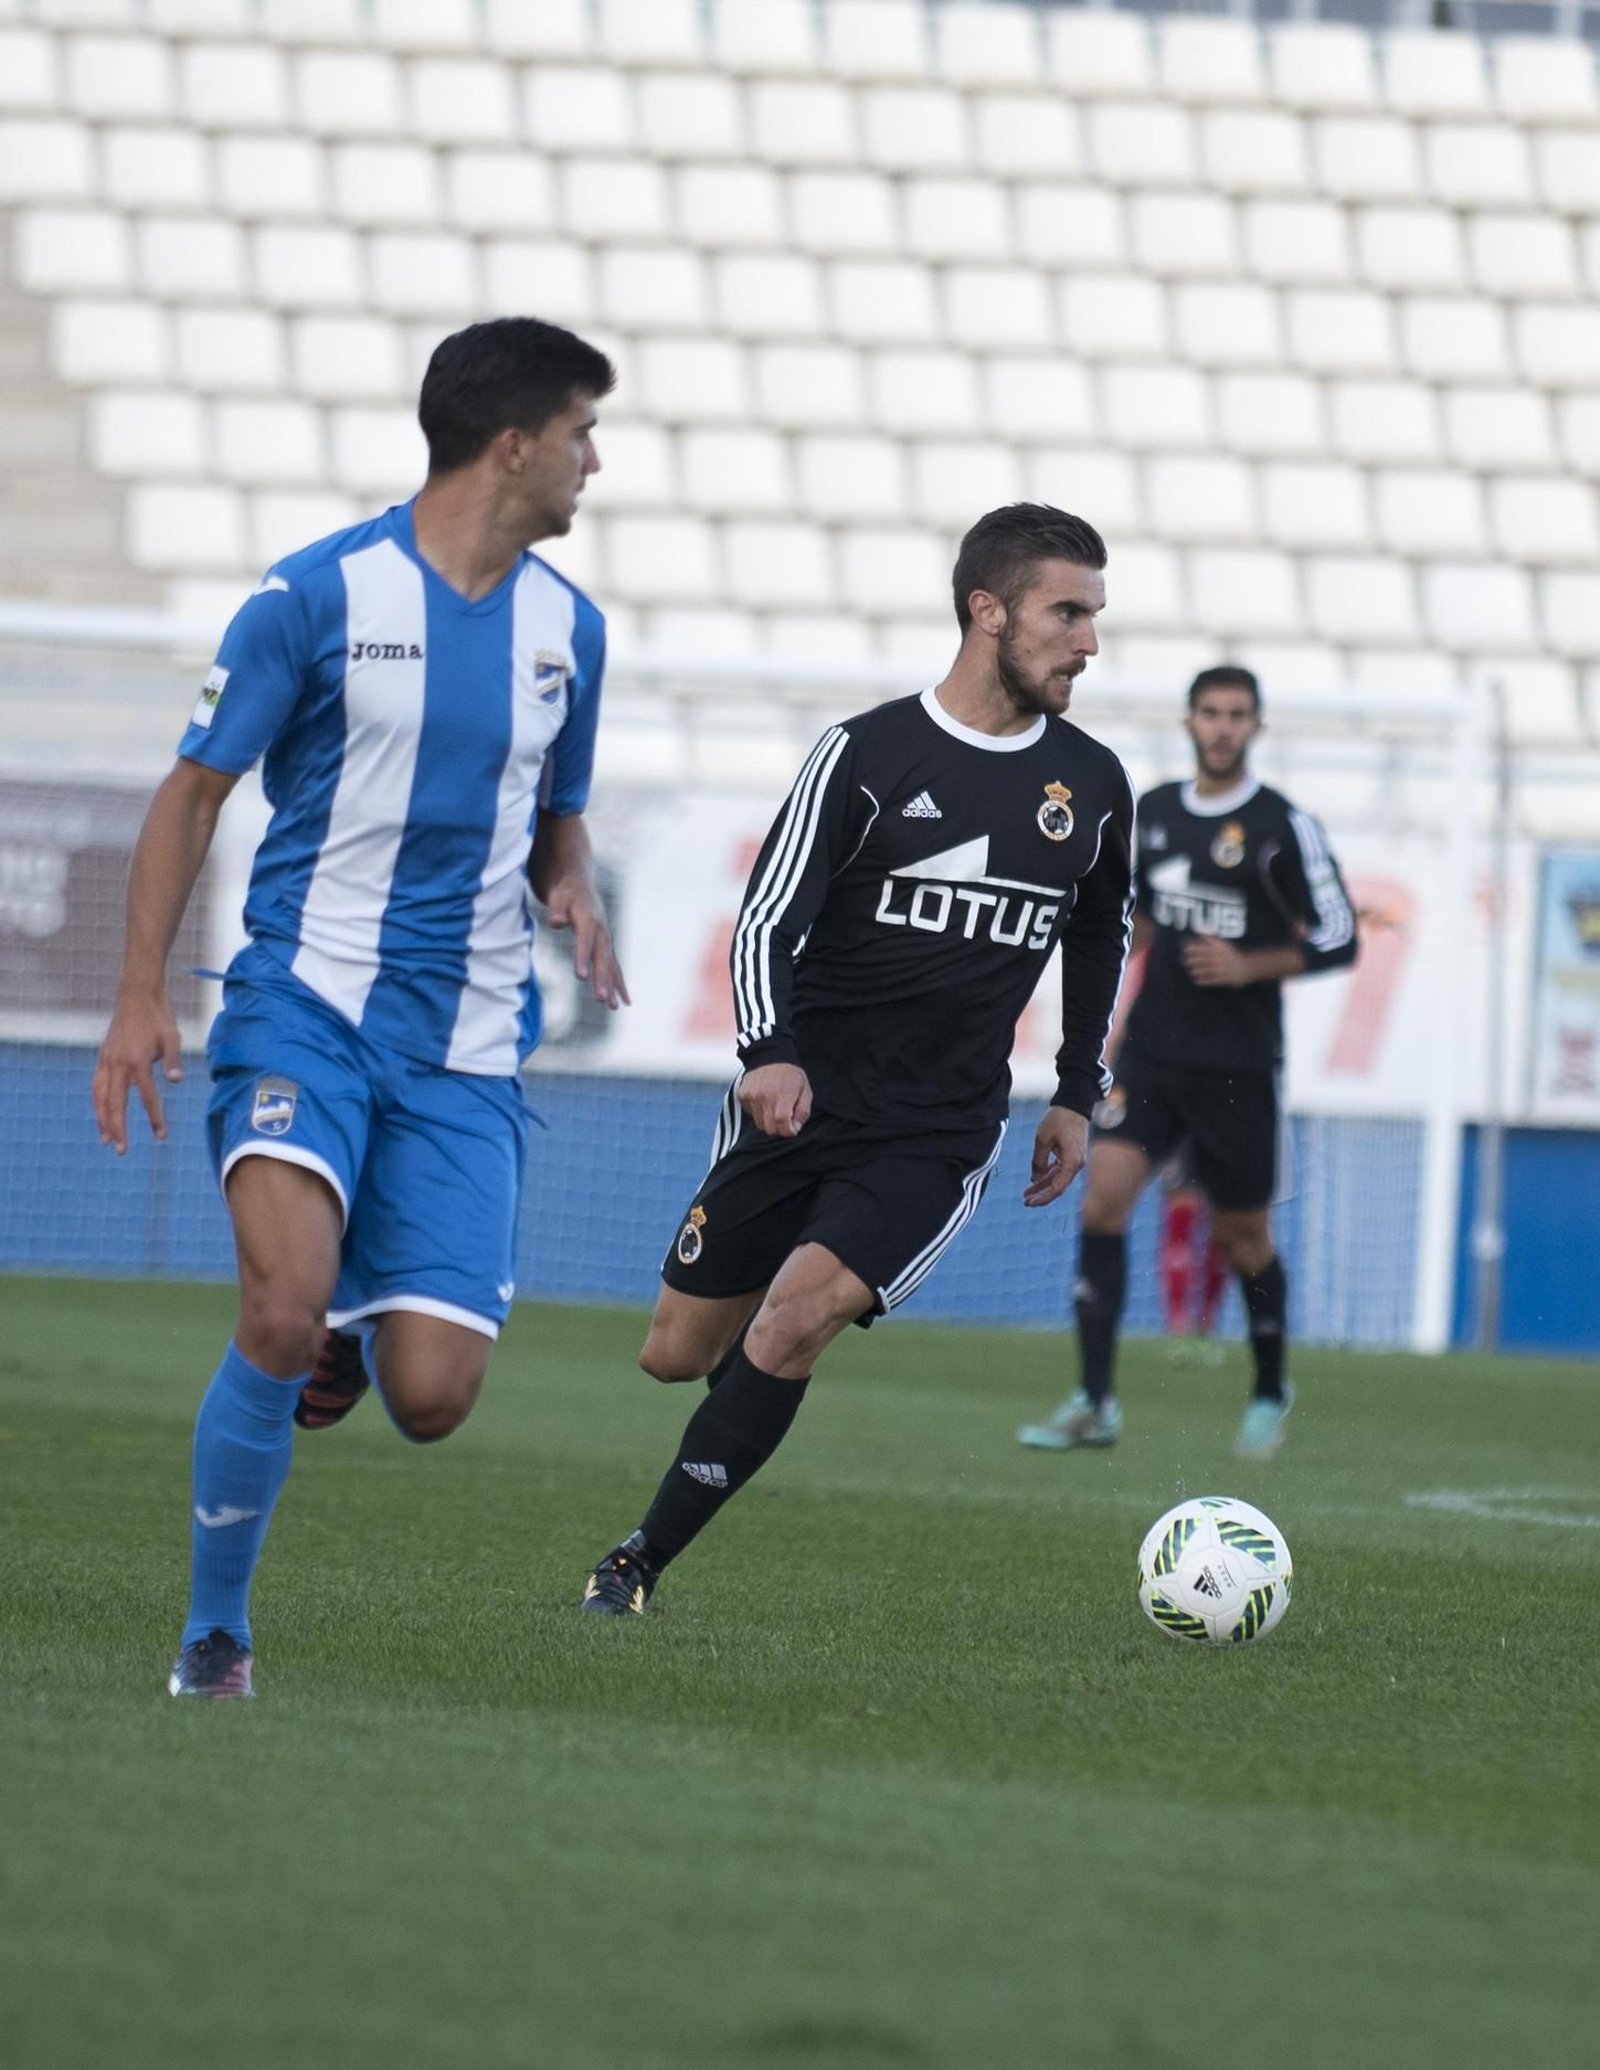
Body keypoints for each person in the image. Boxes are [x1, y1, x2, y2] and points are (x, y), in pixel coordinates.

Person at [91, 317, 627, 1697]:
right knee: (281, 1308)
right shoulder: (314, 595)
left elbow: (557, 821)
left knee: (433, 1397)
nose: (594, 463)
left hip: (465, 1046)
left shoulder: (571, 631)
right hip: (304, 1006)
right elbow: (191, 794)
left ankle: (345, 1328)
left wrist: (573, 887)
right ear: (512, 444)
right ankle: (216, 1635)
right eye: (582, 434)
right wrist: (139, 995)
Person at [579, 503, 1134, 1616]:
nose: (1087, 643)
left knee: (796, 1320)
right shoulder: (866, 755)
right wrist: (768, 1054)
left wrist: (1078, 1092)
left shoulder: (1094, 784)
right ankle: (747, 1394)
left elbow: (1098, 938)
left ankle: (633, 1565)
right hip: (799, 1106)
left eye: (1093, 617)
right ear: (987, 612)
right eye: (1066, 614)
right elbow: (766, 921)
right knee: (676, 1354)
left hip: (936, 1130)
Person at [1017, 664, 1358, 1461]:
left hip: (1238, 1067)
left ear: (1256, 726)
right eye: (1210, 712)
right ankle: (1094, 1401)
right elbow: (1133, 922)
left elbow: (1340, 934)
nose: (1222, 727)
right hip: (1152, 1053)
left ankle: (1269, 1389)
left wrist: (1251, 965)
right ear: (1189, 721)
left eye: (1237, 714)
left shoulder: (1283, 825)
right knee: (1103, 1202)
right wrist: (1101, 1020)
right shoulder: (1158, 811)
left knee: (1243, 1237)